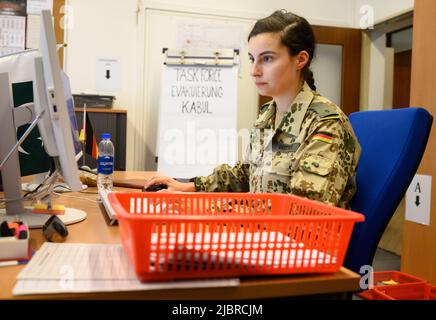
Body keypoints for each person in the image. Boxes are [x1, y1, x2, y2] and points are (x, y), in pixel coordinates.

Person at [144, 10, 361, 209]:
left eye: (267, 59)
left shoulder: (326, 124)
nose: (254, 71)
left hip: (298, 246)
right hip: (260, 236)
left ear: (300, 60)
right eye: (251, 59)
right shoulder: (269, 114)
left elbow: (302, 211)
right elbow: (247, 173)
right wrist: (189, 187)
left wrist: (206, 207)